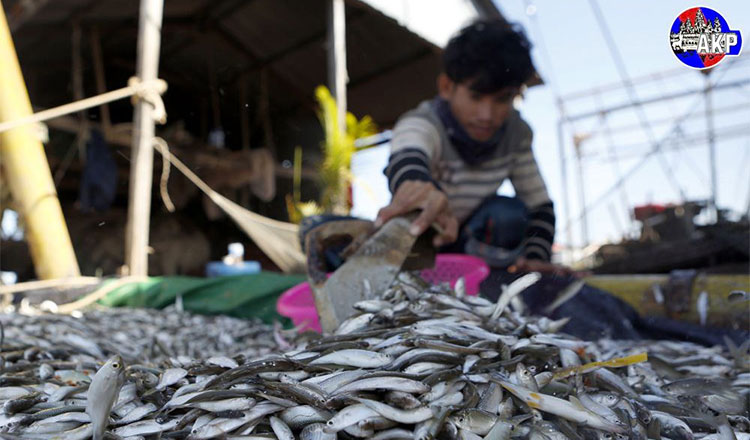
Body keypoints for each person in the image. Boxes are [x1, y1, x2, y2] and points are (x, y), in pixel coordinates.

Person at [376, 19, 570, 275]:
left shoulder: (516, 134)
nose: (486, 115)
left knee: (508, 216)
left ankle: (484, 281)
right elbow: (408, 154)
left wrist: (536, 257)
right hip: (421, 237)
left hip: (473, 244)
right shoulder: (424, 122)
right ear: (447, 87)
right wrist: (416, 185)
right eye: (475, 97)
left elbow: (539, 206)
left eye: (502, 99)